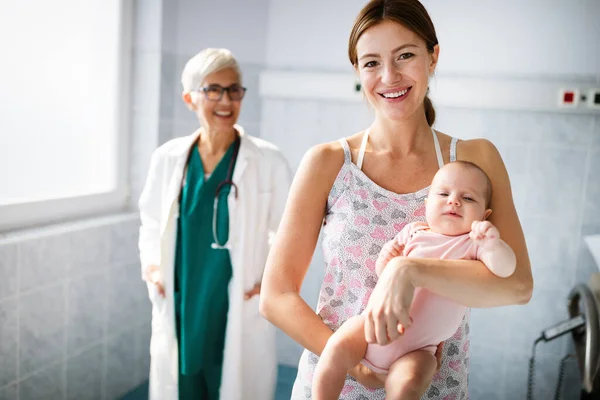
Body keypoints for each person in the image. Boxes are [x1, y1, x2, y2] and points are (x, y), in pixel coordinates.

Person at [259, 0, 533, 399]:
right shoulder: (329, 163)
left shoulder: (475, 159)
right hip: (337, 383)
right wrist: (355, 366)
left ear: (433, 57)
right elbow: (276, 296)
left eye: (405, 55)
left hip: (430, 385)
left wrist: (410, 270)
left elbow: (517, 286)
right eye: (371, 63)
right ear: (357, 70)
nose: (389, 76)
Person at [138, 47, 292, 400]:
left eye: (234, 89)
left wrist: (270, 280)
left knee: (234, 381)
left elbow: (288, 232)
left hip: (238, 295)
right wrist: (152, 266)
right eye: (213, 90)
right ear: (190, 98)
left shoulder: (268, 160)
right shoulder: (168, 159)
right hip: (184, 292)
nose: (226, 100)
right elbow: (150, 220)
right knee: (183, 380)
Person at [312, 161, 517, 400]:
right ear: (427, 203)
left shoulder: (472, 245)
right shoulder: (415, 232)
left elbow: (505, 269)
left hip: (419, 349)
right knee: (335, 349)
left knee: (408, 384)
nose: (454, 201)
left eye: (468, 198)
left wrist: (493, 245)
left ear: (485, 214)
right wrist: (386, 260)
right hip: (368, 328)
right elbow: (387, 277)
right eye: (443, 194)